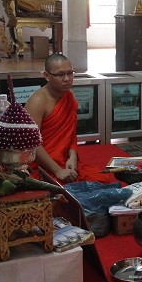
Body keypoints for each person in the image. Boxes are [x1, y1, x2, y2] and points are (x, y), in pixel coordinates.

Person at [25, 53, 110, 184]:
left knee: (102, 180)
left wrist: (73, 156)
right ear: (46, 76)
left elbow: (71, 134)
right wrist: (58, 170)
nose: (67, 79)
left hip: (64, 160)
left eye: (70, 73)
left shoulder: (68, 96)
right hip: (42, 165)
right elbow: (31, 143)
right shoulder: (37, 101)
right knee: (62, 196)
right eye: (60, 75)